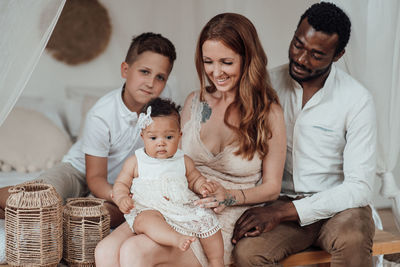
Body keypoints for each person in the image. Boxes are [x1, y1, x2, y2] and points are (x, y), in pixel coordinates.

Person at [94, 12, 286, 267]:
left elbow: (272, 188)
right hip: (175, 203)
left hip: (220, 219)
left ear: (247, 59)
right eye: (208, 61)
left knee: (134, 252)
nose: (216, 72)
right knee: (105, 250)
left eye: (226, 62)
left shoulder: (268, 112)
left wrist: (228, 195)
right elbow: (173, 160)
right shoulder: (195, 102)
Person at [232, 2, 377, 266]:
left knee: (353, 237)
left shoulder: (357, 99)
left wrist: (285, 211)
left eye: (317, 54)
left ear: (338, 54)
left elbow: (360, 187)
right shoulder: (266, 84)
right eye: (298, 44)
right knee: (247, 253)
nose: (301, 59)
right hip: (281, 207)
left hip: (339, 208)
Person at [0, 32, 177, 228]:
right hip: (81, 170)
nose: (151, 83)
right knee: (41, 197)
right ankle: (30, 206)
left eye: (160, 77)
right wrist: (118, 194)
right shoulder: (102, 114)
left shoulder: (163, 103)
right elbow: (95, 178)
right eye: (144, 72)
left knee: (117, 215)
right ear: (125, 70)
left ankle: (59, 215)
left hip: (119, 182)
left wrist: (124, 196)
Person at [97, 97, 224, 267]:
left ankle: (217, 261)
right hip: (147, 210)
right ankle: (175, 238)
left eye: (169, 137)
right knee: (145, 221)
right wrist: (121, 198)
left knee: (208, 222)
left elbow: (194, 179)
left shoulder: (183, 160)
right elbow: (121, 185)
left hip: (178, 209)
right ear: (142, 136)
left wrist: (203, 186)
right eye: (153, 138)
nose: (161, 143)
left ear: (179, 136)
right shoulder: (136, 161)